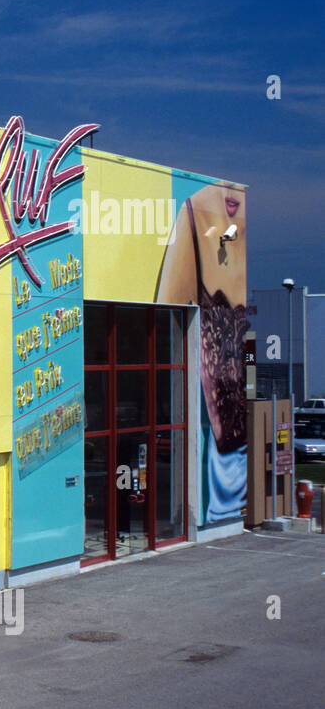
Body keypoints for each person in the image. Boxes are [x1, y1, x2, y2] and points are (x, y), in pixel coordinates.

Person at [156, 183, 249, 521]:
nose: (229, 189)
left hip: (228, 459)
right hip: (217, 463)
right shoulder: (193, 214)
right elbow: (165, 317)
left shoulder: (209, 217)